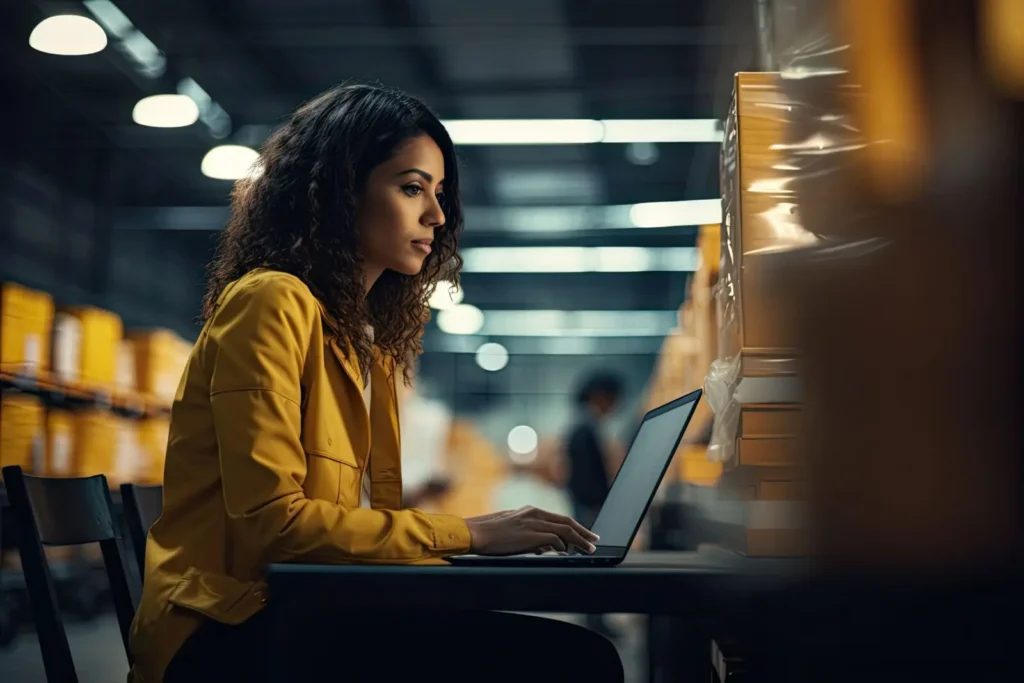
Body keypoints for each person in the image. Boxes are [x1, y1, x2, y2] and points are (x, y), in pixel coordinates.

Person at [129, 83, 623, 683]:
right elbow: (275, 527)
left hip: (304, 610)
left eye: (438, 194)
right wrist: (468, 534)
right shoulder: (270, 302)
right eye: (412, 187)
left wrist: (468, 545)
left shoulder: (367, 346)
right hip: (223, 633)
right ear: (340, 192)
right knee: (578, 661)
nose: (437, 216)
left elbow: (351, 527)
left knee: (545, 648)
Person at [565, 371, 625, 640]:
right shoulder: (585, 428)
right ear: (599, 396)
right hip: (589, 506)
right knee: (593, 565)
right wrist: (596, 504)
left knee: (591, 564)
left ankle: (596, 619)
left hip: (587, 504)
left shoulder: (584, 426)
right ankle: (595, 621)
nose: (613, 407)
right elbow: (586, 475)